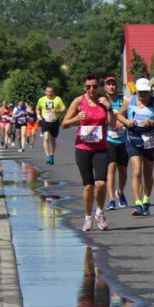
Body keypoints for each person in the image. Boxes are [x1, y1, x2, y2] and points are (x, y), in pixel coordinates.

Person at [62, 73, 116, 232]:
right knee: (88, 186)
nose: (91, 89)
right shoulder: (79, 101)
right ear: (84, 87)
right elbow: (64, 124)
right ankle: (87, 217)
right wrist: (76, 118)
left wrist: (109, 107)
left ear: (98, 86)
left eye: (94, 86)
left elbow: (113, 124)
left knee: (101, 183)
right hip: (83, 148)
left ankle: (100, 212)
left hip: (101, 148)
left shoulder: (103, 101)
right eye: (88, 87)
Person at [119, 78, 154, 216]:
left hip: (149, 140)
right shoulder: (129, 101)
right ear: (136, 91)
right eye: (140, 93)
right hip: (133, 138)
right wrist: (127, 121)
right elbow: (120, 114)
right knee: (137, 171)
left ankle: (146, 200)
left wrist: (152, 122)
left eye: (146, 92)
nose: (143, 95)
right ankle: (137, 203)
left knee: (148, 173)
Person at [102, 75, 129, 210]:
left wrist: (122, 122)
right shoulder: (103, 102)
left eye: (113, 84)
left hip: (123, 139)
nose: (111, 86)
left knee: (123, 171)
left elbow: (128, 115)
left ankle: (120, 192)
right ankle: (111, 198)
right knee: (111, 168)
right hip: (109, 139)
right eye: (108, 84)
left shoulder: (122, 101)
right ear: (105, 87)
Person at [36, 85, 66, 165]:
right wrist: (39, 116)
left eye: (51, 92)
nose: (49, 93)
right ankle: (47, 156)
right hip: (45, 121)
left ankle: (52, 155)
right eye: (48, 92)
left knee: (53, 139)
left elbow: (63, 109)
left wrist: (57, 111)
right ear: (45, 92)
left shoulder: (57, 99)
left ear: (53, 92)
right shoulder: (41, 100)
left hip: (54, 121)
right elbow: (38, 108)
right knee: (45, 138)